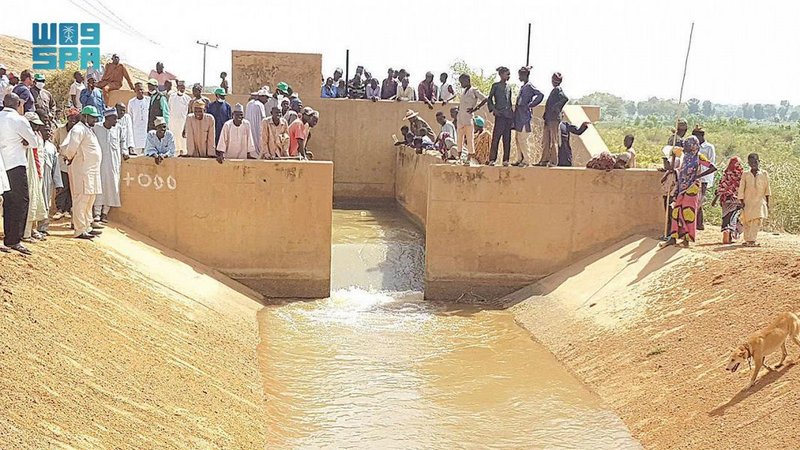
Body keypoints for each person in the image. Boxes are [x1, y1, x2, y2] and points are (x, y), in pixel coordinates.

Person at [662, 136, 717, 247]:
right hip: (682, 187)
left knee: (688, 213)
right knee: (676, 212)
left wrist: (698, 176)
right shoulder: (686, 157)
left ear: (693, 146)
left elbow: (712, 167)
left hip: (692, 187)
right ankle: (673, 237)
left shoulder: (699, 157)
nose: (685, 147)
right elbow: (681, 171)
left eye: (687, 145)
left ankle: (687, 239)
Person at [0, 93, 38, 254]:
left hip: (2, 164)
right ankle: (13, 239)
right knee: (20, 202)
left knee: (6, 201)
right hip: (15, 164)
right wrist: (25, 142)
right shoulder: (19, 120)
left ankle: (8, 237)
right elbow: (34, 141)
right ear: (17, 104)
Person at [61, 105, 104, 240]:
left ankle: (87, 226)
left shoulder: (88, 129)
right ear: (85, 116)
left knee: (90, 198)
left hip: (92, 170)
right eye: (92, 117)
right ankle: (79, 230)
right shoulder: (78, 129)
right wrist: (69, 157)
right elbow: (71, 148)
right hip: (82, 170)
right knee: (81, 199)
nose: (95, 120)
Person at [92, 107, 128, 224]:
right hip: (99, 163)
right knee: (99, 186)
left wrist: (124, 151)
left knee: (111, 187)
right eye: (114, 119)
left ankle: (105, 213)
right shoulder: (96, 128)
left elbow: (123, 142)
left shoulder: (118, 129)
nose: (116, 121)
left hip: (113, 163)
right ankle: (97, 213)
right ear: (107, 119)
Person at [22, 113, 47, 243]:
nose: (36, 126)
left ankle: (32, 229)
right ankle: (25, 234)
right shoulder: (23, 136)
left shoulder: (37, 135)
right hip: (29, 172)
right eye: (34, 124)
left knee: (36, 201)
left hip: (38, 171)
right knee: (30, 201)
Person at [53, 108, 81, 221]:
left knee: (72, 186)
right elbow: (55, 144)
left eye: (75, 118)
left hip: (75, 161)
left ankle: (68, 209)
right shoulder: (60, 130)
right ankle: (60, 209)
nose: (72, 120)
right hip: (62, 161)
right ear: (67, 118)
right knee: (62, 186)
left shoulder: (79, 131)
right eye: (70, 118)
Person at [737, 153, 771, 247]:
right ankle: (748, 239)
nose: (753, 164)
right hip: (748, 201)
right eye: (751, 162)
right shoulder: (745, 174)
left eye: (755, 162)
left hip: (760, 201)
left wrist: (767, 202)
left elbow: (767, 188)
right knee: (747, 221)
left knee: (757, 220)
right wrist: (741, 200)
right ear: (748, 163)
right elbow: (741, 188)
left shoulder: (764, 174)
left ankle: (752, 240)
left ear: (759, 162)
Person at [512, 66, 544, 166]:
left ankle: (526, 159)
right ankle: (519, 158)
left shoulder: (529, 86)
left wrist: (531, 105)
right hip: (518, 117)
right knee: (517, 138)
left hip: (524, 117)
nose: (519, 77)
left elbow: (540, 95)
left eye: (520, 75)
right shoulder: (523, 87)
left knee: (523, 139)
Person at [454, 74, 487, 166]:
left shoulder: (474, 90)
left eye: (462, 82)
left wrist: (475, 109)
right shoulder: (464, 91)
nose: (461, 84)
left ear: (468, 80)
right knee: (459, 138)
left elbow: (485, 99)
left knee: (469, 138)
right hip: (461, 117)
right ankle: (459, 157)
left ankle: (469, 158)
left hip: (468, 118)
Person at [484, 67, 514, 166]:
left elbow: (509, 102)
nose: (508, 76)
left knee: (507, 138)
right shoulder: (496, 86)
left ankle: (506, 160)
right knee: (496, 137)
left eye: (509, 74)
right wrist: (493, 109)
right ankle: (492, 159)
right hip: (500, 115)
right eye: (506, 74)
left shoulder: (509, 87)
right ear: (501, 75)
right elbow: (489, 99)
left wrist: (512, 116)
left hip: (508, 116)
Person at [36, 124, 62, 236]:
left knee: (46, 202)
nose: (48, 133)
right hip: (36, 177)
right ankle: (30, 228)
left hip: (47, 179)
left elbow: (56, 167)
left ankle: (43, 228)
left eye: (49, 130)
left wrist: (58, 183)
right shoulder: (35, 143)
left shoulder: (52, 147)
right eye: (45, 130)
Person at [712, 156, 744, 244]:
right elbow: (743, 188)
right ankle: (729, 231)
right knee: (734, 217)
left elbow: (720, 187)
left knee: (726, 217)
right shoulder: (741, 174)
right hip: (735, 200)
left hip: (725, 200)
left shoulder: (726, 174)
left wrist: (714, 200)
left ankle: (727, 231)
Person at [539, 72, 569, 166]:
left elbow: (565, 98)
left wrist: (556, 108)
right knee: (546, 140)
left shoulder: (558, 89)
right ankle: (544, 160)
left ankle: (553, 161)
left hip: (554, 119)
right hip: (549, 118)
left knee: (553, 140)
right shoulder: (554, 90)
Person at [692, 125, 715, 231]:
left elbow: (711, 163)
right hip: (695, 177)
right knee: (695, 199)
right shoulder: (693, 146)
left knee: (700, 200)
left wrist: (702, 176)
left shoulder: (709, 147)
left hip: (704, 177)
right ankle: (698, 223)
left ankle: (699, 223)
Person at [167, 80, 191, 156]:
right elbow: (169, 108)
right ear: (177, 87)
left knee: (183, 140)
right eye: (180, 87)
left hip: (183, 123)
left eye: (183, 87)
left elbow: (189, 112)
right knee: (174, 138)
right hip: (173, 122)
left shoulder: (188, 98)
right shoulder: (172, 96)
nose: (182, 88)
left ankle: (183, 153)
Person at [127, 83, 150, 153]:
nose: (140, 91)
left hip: (147, 128)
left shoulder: (149, 100)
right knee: (137, 151)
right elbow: (130, 117)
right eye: (138, 90)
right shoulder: (131, 102)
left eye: (141, 89)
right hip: (136, 130)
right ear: (135, 91)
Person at [659, 156, 678, 240]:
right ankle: (667, 233)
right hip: (666, 195)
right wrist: (667, 172)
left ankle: (671, 234)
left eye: (668, 163)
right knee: (667, 216)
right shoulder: (668, 173)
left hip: (671, 196)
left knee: (671, 215)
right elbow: (662, 181)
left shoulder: (676, 174)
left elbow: (677, 184)